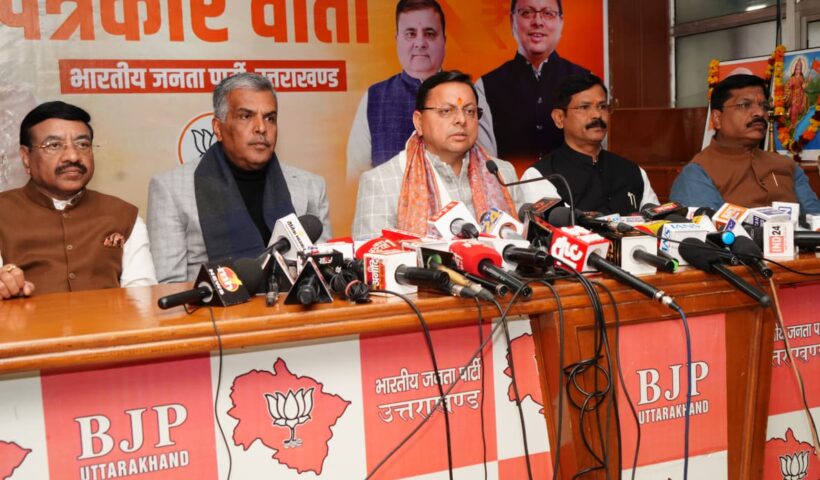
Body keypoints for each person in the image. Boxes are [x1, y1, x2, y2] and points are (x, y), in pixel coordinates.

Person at [148, 73, 332, 283]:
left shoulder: (310, 187)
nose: (261, 128)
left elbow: (325, 274)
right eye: (246, 116)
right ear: (218, 128)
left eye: (270, 118)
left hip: (296, 303)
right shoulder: (170, 190)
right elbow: (168, 287)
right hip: (211, 304)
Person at [0, 101, 156, 299]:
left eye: (82, 145)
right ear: (25, 157)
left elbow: (142, 298)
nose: (73, 156)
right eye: (54, 145)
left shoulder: (124, 216)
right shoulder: (4, 212)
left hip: (110, 320)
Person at [353, 70, 523, 240]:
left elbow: (523, 245)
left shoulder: (502, 173)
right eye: (446, 111)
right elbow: (370, 254)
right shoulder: (382, 182)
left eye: (470, 111)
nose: (461, 120)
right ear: (419, 122)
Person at [670, 74, 820, 213]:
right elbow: (709, 229)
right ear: (717, 118)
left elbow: (815, 219)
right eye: (745, 105)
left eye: (764, 106)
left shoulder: (787, 166)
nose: (759, 113)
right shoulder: (697, 174)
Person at [520, 73, 658, 214]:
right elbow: (552, 225)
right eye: (584, 107)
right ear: (559, 118)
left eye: (602, 106)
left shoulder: (632, 171)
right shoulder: (541, 176)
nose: (597, 115)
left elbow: (658, 221)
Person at [346, 0, 446, 182]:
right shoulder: (374, 98)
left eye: (430, 33)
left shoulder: (467, 96)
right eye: (410, 34)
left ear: (444, 40)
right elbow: (357, 178)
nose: (420, 43)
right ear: (397, 40)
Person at [476, 0, 588, 161]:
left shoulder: (587, 82)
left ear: (561, 22)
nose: (538, 22)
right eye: (527, 13)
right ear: (512, 21)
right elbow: (486, 163)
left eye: (548, 13)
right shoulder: (485, 87)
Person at [785, 58, 809, 127]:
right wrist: (789, 87)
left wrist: (807, 82)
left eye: (799, 69)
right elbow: (787, 86)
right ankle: (792, 123)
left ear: (801, 70)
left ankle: (795, 122)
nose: (797, 71)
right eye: (796, 69)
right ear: (794, 70)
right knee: (793, 108)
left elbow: (803, 86)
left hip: (800, 95)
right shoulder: (792, 78)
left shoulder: (801, 78)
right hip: (793, 95)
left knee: (798, 109)